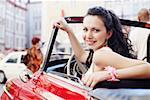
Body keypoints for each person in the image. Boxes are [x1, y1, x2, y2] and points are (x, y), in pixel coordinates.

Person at [54, 6, 150, 89]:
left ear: (108, 34)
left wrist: (107, 75)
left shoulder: (101, 55)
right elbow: (82, 55)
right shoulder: (99, 54)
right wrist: (69, 30)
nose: (88, 35)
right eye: (85, 29)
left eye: (95, 30)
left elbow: (148, 68)